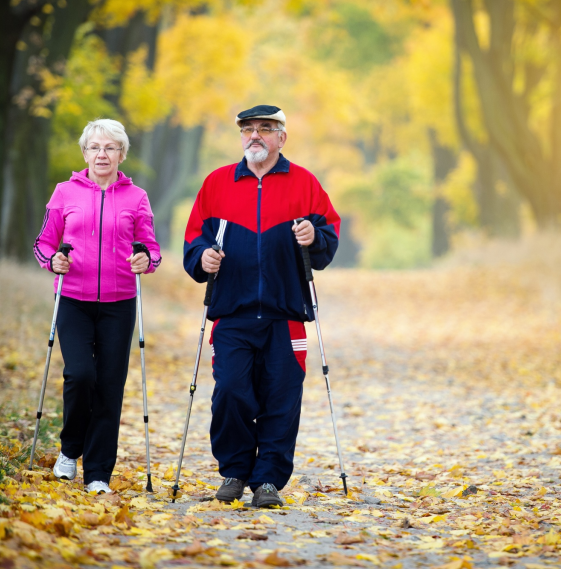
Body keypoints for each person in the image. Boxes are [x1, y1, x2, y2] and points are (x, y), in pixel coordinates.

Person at [183, 104, 340, 508]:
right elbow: (193, 240)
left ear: (281, 137)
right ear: (241, 137)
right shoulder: (217, 183)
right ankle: (234, 472)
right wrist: (202, 257)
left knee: (281, 398)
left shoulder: (304, 183)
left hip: (285, 314)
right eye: (248, 129)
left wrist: (313, 236)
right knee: (231, 392)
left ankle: (268, 480)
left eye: (265, 129)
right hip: (231, 313)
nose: (256, 135)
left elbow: (328, 237)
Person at [33, 118, 161, 494]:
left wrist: (146, 262)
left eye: (110, 148)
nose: (102, 154)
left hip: (120, 303)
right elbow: (44, 243)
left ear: (121, 154)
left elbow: (150, 249)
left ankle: (99, 473)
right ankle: (70, 450)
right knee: (80, 376)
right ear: (85, 152)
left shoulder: (136, 197)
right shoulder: (64, 192)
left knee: (109, 385)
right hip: (73, 298)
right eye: (95, 147)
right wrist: (52, 260)